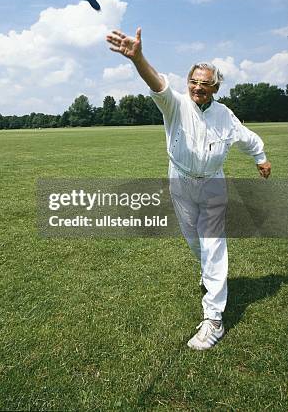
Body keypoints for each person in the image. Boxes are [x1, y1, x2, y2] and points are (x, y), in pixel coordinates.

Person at [106, 27, 271, 350]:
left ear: (216, 87)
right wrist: (138, 57)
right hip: (180, 181)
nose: (198, 88)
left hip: (212, 184)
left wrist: (261, 157)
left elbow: (247, 137)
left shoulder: (225, 115)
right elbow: (157, 82)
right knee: (195, 242)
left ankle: (214, 319)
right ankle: (210, 277)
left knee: (212, 244)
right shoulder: (175, 105)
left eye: (205, 84)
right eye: (193, 82)